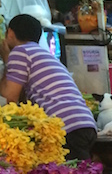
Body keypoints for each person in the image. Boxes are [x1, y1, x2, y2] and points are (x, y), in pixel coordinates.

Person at [0, 14, 97, 161]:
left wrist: (6, 57)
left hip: (65, 126)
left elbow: (10, 97)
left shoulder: (20, 52)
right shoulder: (44, 54)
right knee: (82, 173)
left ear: (11, 33)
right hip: (85, 122)